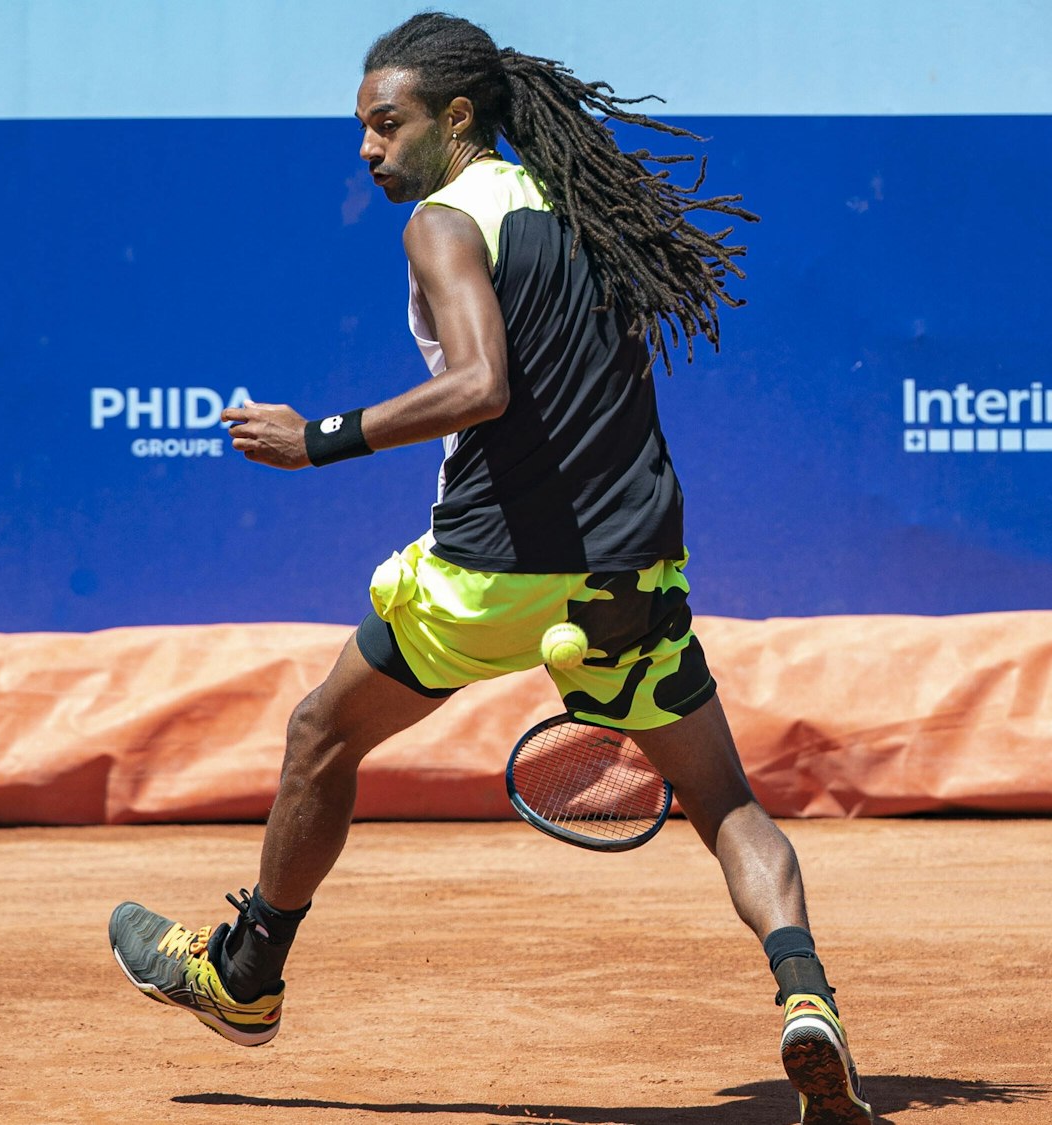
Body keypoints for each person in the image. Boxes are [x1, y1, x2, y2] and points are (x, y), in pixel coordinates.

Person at [108, 13, 871, 1123]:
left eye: (386, 125)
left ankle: (245, 976)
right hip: (627, 573)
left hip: (493, 574)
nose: (367, 149)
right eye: (361, 128)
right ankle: (806, 998)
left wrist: (315, 438)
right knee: (723, 800)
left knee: (322, 732)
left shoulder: (442, 222)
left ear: (454, 119)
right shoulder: (578, 206)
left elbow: (479, 387)